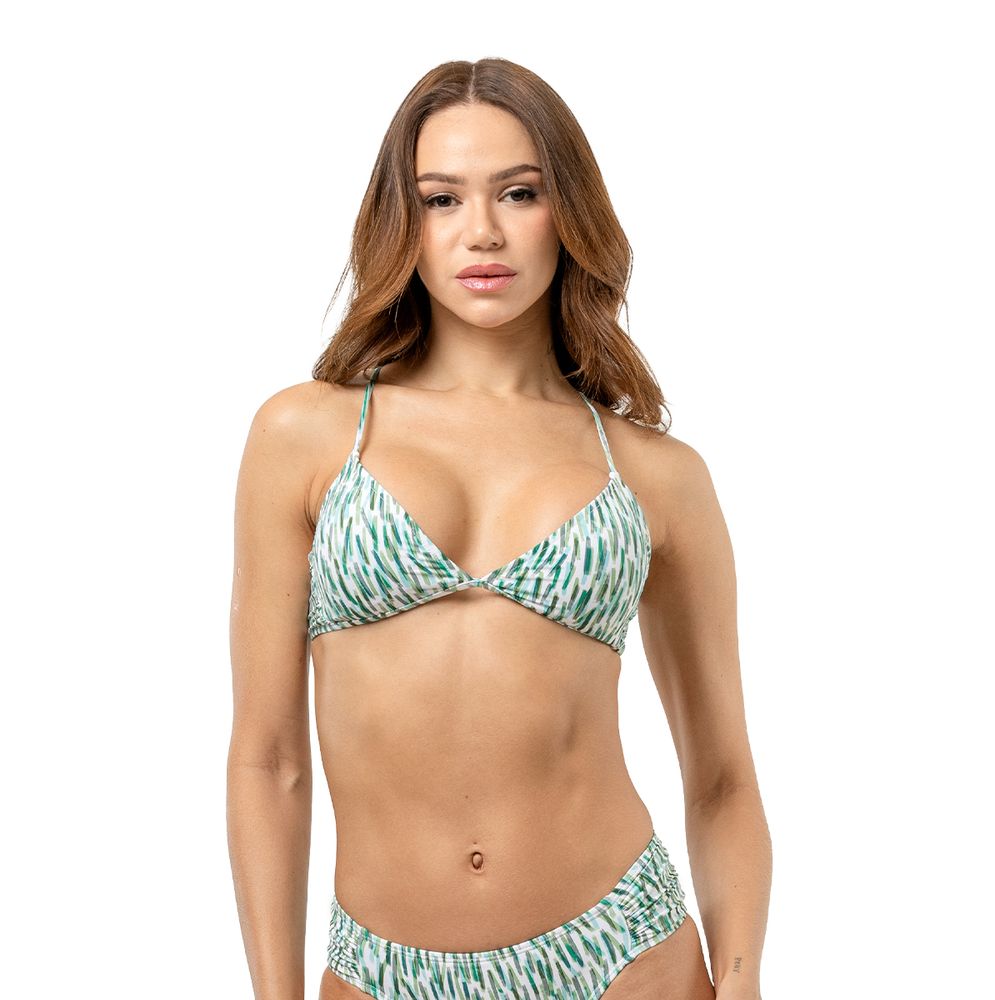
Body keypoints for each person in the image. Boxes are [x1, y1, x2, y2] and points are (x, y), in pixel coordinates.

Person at [227, 57, 771, 1000]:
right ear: (403, 222)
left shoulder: (654, 473)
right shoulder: (305, 436)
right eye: (441, 199)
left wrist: (742, 980)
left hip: (623, 952)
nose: (481, 231)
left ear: (570, 212)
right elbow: (268, 760)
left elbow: (722, 777)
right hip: (383, 971)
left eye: (520, 192)